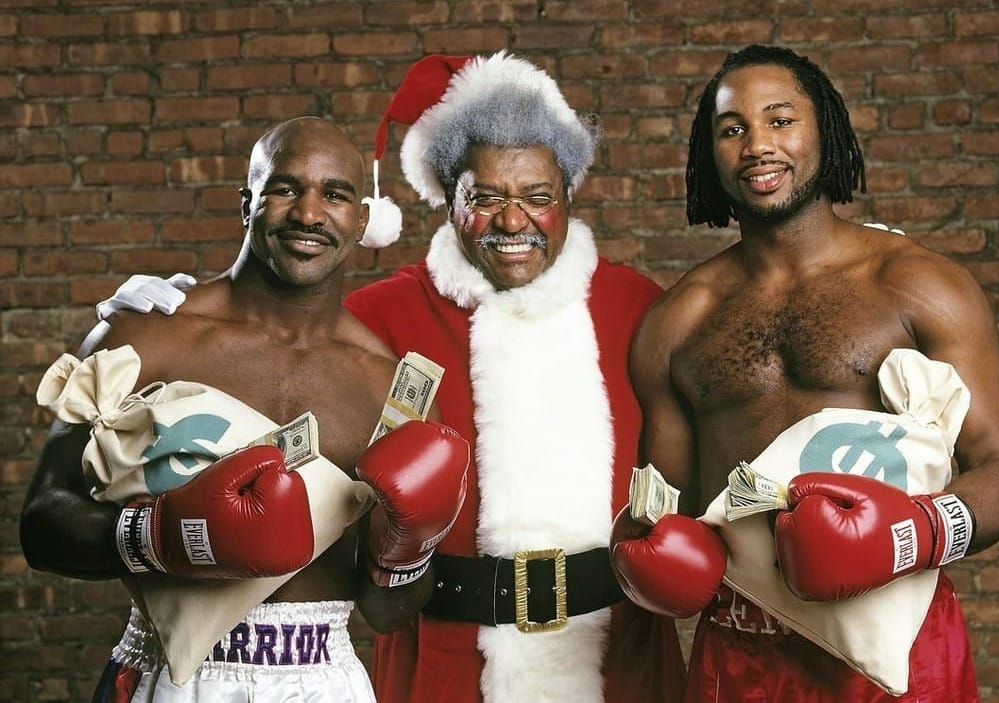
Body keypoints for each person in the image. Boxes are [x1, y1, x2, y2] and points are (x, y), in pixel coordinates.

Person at [84, 52, 688, 703]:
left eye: (538, 197)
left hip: (616, 657)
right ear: (444, 200)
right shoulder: (377, 318)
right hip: (441, 658)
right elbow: (269, 331)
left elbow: (691, 473)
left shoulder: (639, 308)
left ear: (568, 195)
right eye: (483, 198)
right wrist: (158, 304)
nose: (512, 222)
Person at [623, 44, 999, 702]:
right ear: (709, 153)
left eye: (780, 120)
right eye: (732, 129)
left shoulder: (919, 285)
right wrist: (641, 550)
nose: (757, 144)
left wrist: (906, 534)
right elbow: (660, 502)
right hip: (742, 652)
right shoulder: (676, 322)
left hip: (895, 644)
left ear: (824, 130)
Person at [20, 116, 471, 703]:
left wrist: (408, 550)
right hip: (170, 674)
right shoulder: (150, 335)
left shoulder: (390, 388)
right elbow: (41, 522)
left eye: (333, 195)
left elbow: (388, 613)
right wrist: (160, 536)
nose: (308, 214)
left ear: (363, 221)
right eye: (285, 188)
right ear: (247, 203)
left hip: (321, 678)